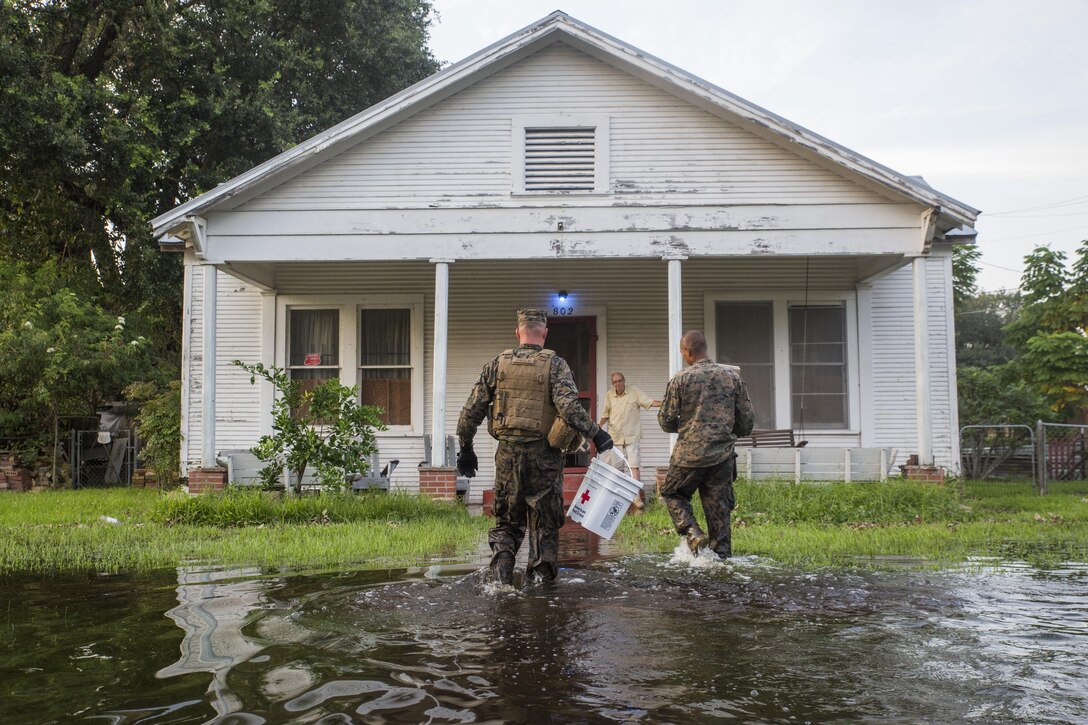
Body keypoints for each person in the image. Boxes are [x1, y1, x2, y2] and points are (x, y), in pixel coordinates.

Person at [456, 309, 613, 585]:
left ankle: (501, 585)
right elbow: (569, 407)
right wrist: (596, 433)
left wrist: (466, 448)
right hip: (544, 458)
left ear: (518, 333)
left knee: (507, 522)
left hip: (507, 456)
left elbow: (471, 410)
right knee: (544, 524)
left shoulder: (498, 364)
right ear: (545, 333)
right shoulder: (556, 365)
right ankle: (541, 588)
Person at [657, 330, 755, 558]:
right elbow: (747, 422)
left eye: (682, 352)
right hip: (721, 459)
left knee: (672, 493)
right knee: (719, 514)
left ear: (688, 351)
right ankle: (722, 563)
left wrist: (687, 427)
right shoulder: (732, 378)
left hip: (688, 457)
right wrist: (725, 432)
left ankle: (691, 530)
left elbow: (666, 421)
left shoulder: (681, 379)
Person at [598, 371, 660, 494]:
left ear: (624, 381)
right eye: (615, 382)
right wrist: (597, 427)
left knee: (634, 466)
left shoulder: (634, 391)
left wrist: (665, 403)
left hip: (632, 436)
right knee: (617, 468)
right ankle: (620, 495)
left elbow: (649, 402)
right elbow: (605, 415)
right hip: (615, 437)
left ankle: (636, 498)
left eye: (620, 381)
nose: (618, 384)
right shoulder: (609, 395)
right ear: (612, 384)